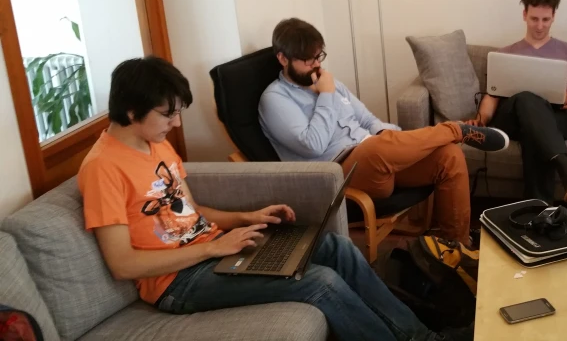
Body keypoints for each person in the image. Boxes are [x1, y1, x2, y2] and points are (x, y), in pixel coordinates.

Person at [79, 56, 475, 341]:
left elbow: (190, 212)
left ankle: (419, 335)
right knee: (319, 283)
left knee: (337, 248)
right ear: (132, 112)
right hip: (177, 283)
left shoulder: (157, 146)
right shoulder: (103, 168)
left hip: (212, 252)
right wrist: (213, 249)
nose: (176, 123)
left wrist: (247, 216)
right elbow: (122, 264)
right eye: (168, 115)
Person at [259, 18, 509, 248]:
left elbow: (368, 119)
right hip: (337, 175)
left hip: (377, 159)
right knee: (376, 147)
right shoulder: (276, 100)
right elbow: (313, 145)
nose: (317, 65)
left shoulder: (327, 81)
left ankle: (455, 246)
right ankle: (456, 129)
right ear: (283, 59)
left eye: (319, 56)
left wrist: (396, 140)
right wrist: (326, 95)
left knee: (449, 155)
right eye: (308, 60)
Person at [467, 0, 567, 202]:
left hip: (555, 118)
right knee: (527, 99)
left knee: (535, 132)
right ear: (524, 15)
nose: (539, 26)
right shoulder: (505, 54)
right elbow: (492, 96)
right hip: (512, 118)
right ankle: (566, 168)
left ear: (554, 16)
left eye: (545, 19)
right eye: (534, 19)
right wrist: (481, 120)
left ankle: (538, 210)